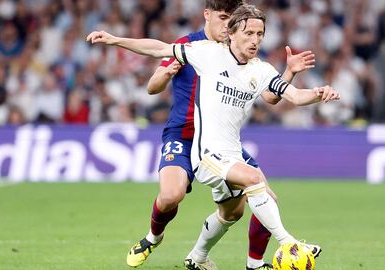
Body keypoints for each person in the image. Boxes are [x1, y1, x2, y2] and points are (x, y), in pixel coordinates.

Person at [88, 1, 316, 270]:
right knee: (171, 195)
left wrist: (290, 73)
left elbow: (270, 96)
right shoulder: (194, 47)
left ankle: (211, 259)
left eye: (233, 20)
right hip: (184, 134)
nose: (228, 25)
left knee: (238, 209)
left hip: (223, 140)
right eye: (223, 18)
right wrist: (133, 52)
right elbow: (153, 84)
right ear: (207, 15)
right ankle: (153, 237)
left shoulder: (242, 55)